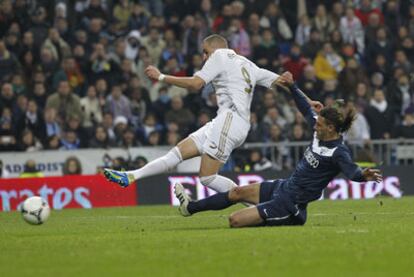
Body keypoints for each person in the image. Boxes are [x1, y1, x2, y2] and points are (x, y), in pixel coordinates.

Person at [103, 34, 312, 193]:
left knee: (207, 177)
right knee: (176, 154)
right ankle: (131, 176)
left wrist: (161, 77)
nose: (204, 56)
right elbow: (284, 82)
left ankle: (258, 206)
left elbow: (196, 84)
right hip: (225, 122)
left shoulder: (219, 55)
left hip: (231, 121)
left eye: (205, 51)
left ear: (215, 48)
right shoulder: (248, 64)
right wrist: (309, 101)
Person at [174, 72, 382, 228]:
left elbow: (352, 172)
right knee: (237, 192)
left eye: (320, 124)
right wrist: (292, 86)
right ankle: (189, 208)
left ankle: (270, 216)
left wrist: (363, 175)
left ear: (330, 128)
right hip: (283, 187)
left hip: (291, 205)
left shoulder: (338, 152)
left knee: (235, 221)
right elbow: (303, 108)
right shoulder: (319, 131)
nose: (315, 125)